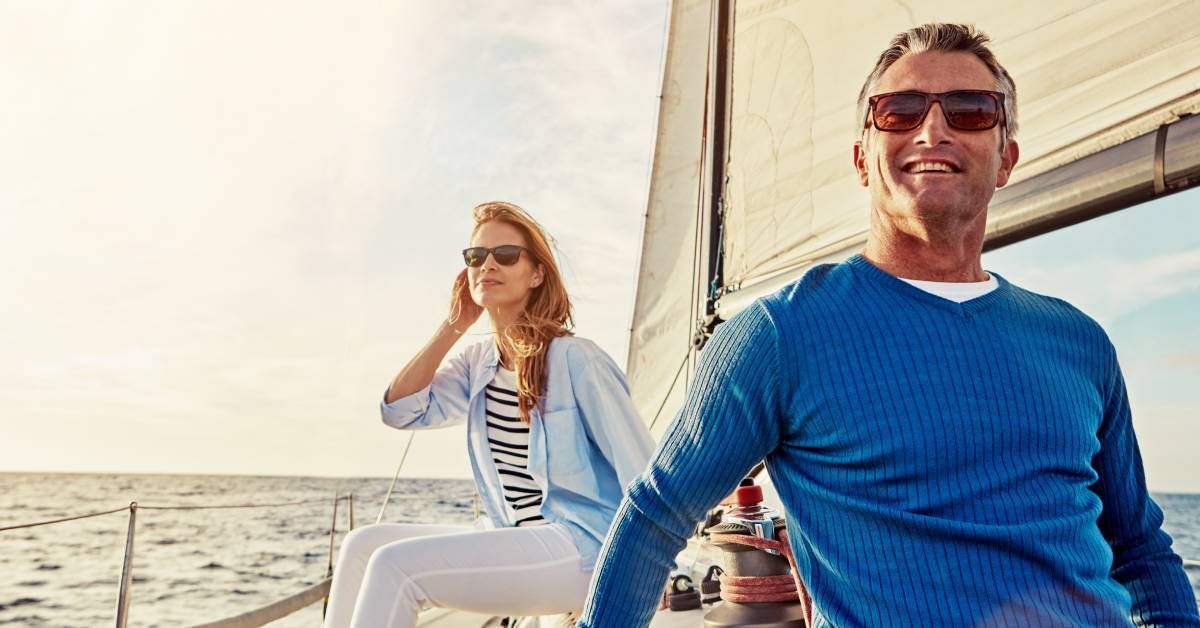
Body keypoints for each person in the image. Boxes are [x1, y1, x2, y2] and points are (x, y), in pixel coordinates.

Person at [578, 23, 1199, 627]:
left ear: (1006, 158)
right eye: (898, 111)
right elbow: (657, 515)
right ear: (862, 160)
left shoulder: (1079, 342)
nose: (932, 129)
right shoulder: (779, 335)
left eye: (971, 110)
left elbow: (1140, 548)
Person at [324, 201, 654, 628]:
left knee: (394, 567)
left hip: (585, 549)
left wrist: (662, 570)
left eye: (506, 255)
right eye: (476, 257)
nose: (487, 265)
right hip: (513, 537)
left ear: (536, 274)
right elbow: (401, 411)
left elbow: (645, 471)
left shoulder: (576, 360)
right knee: (363, 544)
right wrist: (454, 324)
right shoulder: (478, 363)